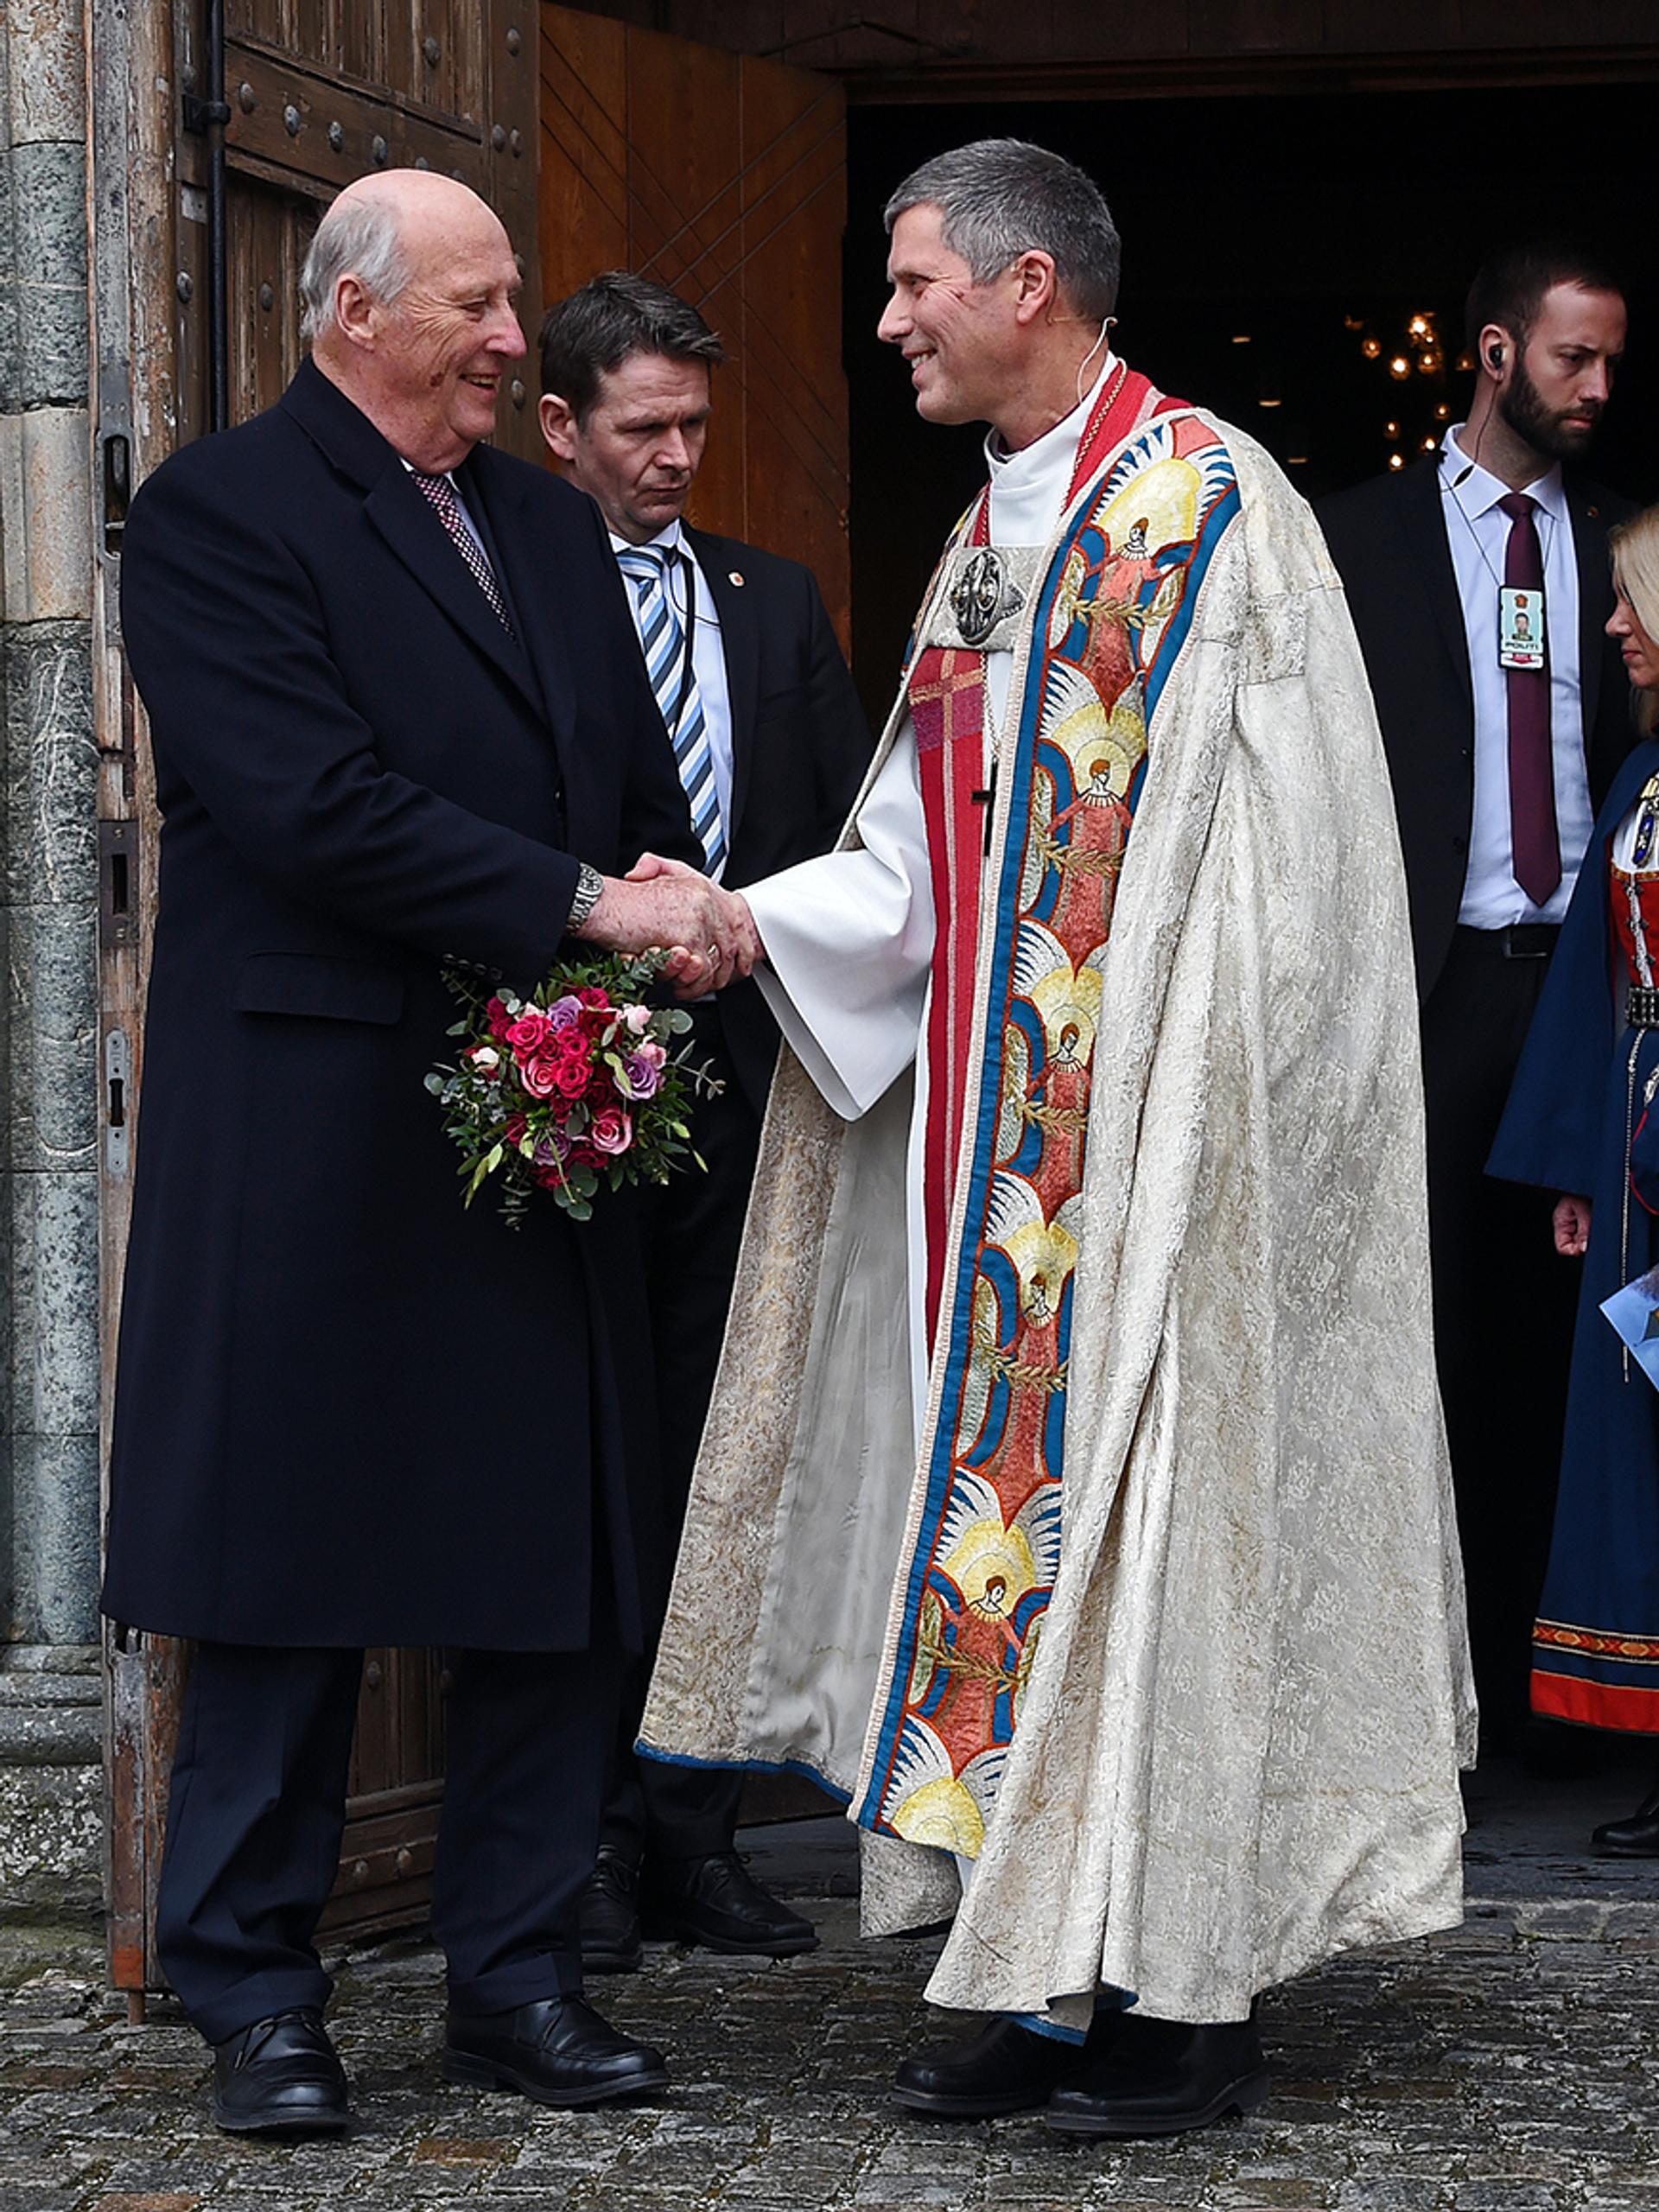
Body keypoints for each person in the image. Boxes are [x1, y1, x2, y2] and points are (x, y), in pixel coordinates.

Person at [635, 139, 1472, 2139]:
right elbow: (925, 845)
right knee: (1014, 1564)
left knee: (1160, 1563)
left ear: (1030, 285)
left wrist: (1216, 1120)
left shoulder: (1211, 504)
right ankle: (1051, 1976)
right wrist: (746, 916)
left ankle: (1187, 2002)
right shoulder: (993, 529)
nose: (889, 321)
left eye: (916, 280)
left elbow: (1313, 869)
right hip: (1002, 1176)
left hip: (1172, 1162)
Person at [102, 170, 753, 2135]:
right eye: (475, 306)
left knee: (545, 1561)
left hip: (542, 1122)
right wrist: (587, 902)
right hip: (310, 1130)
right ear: (354, 312)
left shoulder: (546, 523)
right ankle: (253, 1995)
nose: (508, 339)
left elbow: (627, 785)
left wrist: (672, 894)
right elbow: (311, 805)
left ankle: (519, 1975)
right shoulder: (220, 512)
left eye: (509, 301)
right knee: (286, 1568)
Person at [537, 271, 873, 1968]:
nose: (676, 455)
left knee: (724, 1462)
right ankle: (581, 1841)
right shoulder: (516, 590)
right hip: (568, 1083)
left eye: (694, 426)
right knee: (589, 1468)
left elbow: (844, 828)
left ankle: (695, 1834)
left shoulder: (773, 595)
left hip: (752, 1088)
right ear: (560, 426)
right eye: (643, 426)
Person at [1319, 245, 1633, 1743]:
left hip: (1589, 994)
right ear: (1497, 354)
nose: (1599, 387)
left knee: (1574, 1341)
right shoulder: (1358, 536)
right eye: (1574, 357)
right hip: (1427, 988)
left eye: (1613, 361)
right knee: (1413, 1337)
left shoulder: (1625, 546)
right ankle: (1420, 1704)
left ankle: (1561, 1688)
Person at [1489, 504, 1659, 1847]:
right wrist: (1577, 1164)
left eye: (1631, 600)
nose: (1612, 626)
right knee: (1638, 1440)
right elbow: (1604, 978)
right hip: (1638, 1143)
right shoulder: (1642, 775)